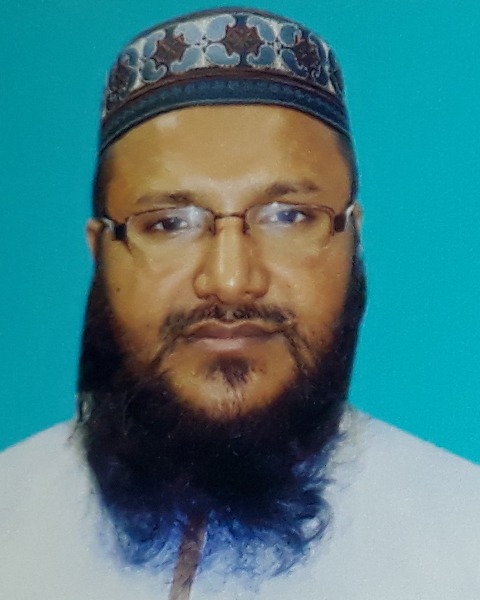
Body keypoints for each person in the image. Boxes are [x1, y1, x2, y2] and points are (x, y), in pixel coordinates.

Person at [1, 7, 479, 600]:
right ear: (102, 251)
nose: (230, 281)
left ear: (352, 239)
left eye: (289, 217)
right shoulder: (11, 518)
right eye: (169, 222)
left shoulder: (465, 538)